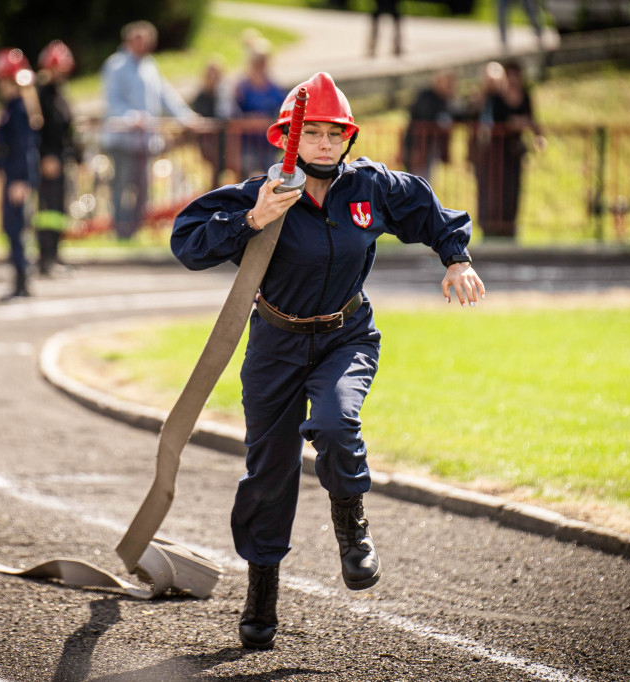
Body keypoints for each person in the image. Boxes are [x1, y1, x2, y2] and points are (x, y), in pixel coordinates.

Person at [171, 72, 484, 650]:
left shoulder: (371, 187)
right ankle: (261, 597)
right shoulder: (260, 193)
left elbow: (426, 208)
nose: (320, 142)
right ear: (285, 137)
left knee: (337, 424)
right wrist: (253, 220)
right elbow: (187, 241)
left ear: (347, 137)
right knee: (268, 475)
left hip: (346, 337)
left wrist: (456, 258)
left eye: (331, 132)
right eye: (308, 132)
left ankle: (352, 527)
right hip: (275, 346)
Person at [100, 20, 199, 240]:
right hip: (122, 139)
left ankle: (135, 230)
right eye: (139, 39)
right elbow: (112, 101)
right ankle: (120, 232)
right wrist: (131, 118)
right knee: (122, 186)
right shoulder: (115, 65)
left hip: (145, 140)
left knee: (142, 188)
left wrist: (185, 116)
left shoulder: (150, 66)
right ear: (129, 40)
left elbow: (165, 95)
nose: (143, 44)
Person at [0, 48, 40, 300]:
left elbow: (24, 148)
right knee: (10, 227)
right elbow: (4, 147)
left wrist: (21, 180)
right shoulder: (10, 107)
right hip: (11, 175)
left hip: (17, 177)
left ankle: (22, 279)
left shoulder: (18, 109)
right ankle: (19, 277)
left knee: (16, 227)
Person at [471, 60, 544, 239]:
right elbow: (480, 115)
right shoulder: (494, 97)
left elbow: (532, 119)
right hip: (493, 152)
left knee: (513, 188)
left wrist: (537, 135)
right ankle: (490, 227)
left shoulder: (525, 95)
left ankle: (509, 226)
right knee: (492, 189)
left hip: (513, 151)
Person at [34, 40, 80, 276]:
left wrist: (77, 156)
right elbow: (38, 130)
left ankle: (56, 254)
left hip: (61, 160)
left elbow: (67, 128)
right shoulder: (40, 95)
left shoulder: (60, 93)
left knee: (58, 211)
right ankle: (45, 258)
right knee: (46, 213)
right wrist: (44, 157)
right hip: (48, 162)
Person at [233, 35, 286, 178]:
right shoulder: (242, 87)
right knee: (248, 178)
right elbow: (232, 113)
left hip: (268, 142)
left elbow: (283, 109)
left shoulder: (273, 86)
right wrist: (249, 121)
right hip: (247, 142)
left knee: (271, 176)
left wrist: (268, 121)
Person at [401, 69, 463, 180]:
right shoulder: (426, 96)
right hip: (418, 147)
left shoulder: (448, 100)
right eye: (447, 82)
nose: (450, 86)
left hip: (432, 150)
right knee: (416, 181)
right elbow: (424, 115)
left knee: (427, 181)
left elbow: (459, 114)